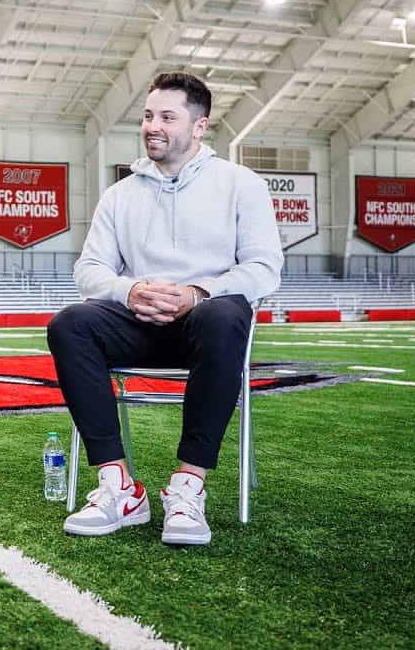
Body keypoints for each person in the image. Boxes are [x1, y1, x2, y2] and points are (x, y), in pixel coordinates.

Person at [46, 72, 282, 545]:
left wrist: (198, 292)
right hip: (139, 322)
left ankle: (188, 487)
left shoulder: (240, 184)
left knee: (227, 311)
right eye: (148, 115)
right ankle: (119, 487)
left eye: (167, 117)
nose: (153, 125)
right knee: (70, 323)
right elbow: (88, 269)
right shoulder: (120, 194)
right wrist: (130, 291)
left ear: (200, 127)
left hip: (205, 324)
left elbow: (264, 269)